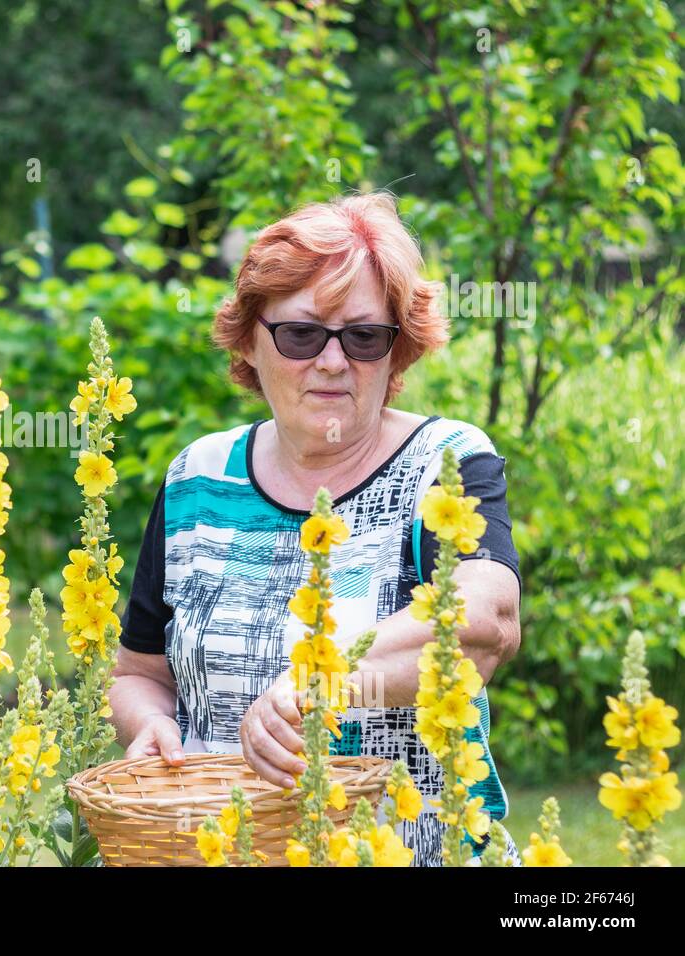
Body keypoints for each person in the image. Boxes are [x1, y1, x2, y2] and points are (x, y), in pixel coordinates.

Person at [110, 192, 522, 866]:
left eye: (364, 337)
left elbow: (483, 623)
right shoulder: (197, 479)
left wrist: (321, 683)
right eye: (302, 334)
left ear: (398, 350)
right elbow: (139, 674)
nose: (333, 361)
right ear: (249, 337)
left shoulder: (442, 465)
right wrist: (152, 724)